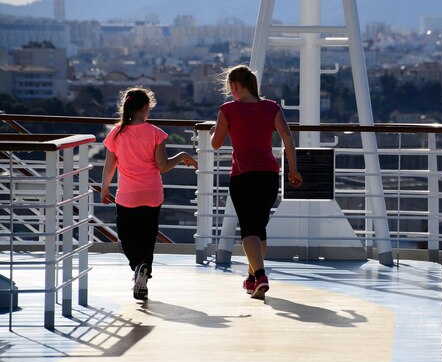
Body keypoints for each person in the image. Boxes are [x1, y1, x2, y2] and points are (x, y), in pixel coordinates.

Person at [210, 64, 302, 300]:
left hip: (243, 176)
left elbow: (215, 144)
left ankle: (260, 275)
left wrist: (215, 129)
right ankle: (252, 279)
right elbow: (288, 137)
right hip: (269, 175)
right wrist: (293, 170)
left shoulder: (228, 110)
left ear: (234, 86)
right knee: (259, 229)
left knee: (248, 230)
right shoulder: (271, 107)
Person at [101, 86, 198, 300]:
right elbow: (163, 166)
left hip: (127, 195)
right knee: (147, 237)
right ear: (145, 108)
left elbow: (109, 167)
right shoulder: (156, 134)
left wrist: (105, 188)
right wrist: (181, 156)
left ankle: (138, 266)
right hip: (152, 193)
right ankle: (143, 275)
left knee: (127, 237)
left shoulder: (116, 133)